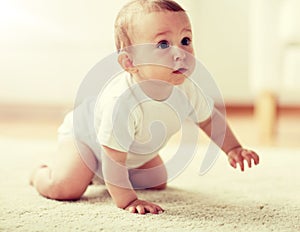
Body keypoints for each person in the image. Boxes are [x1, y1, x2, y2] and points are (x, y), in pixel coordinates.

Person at [30, 0, 259, 215]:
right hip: (87, 141)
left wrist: (233, 148)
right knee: (66, 188)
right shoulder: (122, 102)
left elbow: (209, 120)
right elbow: (112, 157)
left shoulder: (187, 89)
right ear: (130, 63)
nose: (180, 53)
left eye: (185, 40)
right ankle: (40, 173)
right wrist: (128, 200)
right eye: (163, 44)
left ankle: (99, 177)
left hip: (130, 151)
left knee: (157, 182)